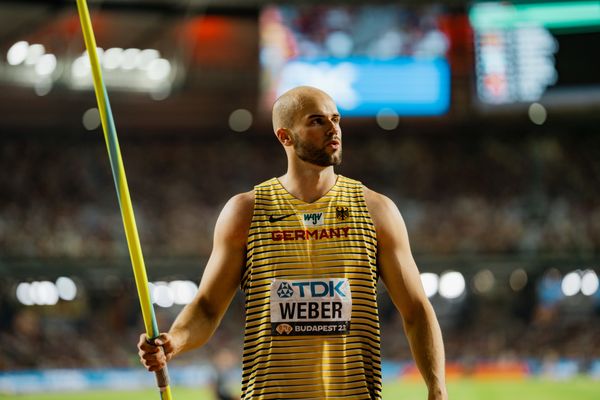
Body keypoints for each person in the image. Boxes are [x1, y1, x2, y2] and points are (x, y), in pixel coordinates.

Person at [138, 86, 447, 400]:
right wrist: (173, 340)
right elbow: (206, 308)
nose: (333, 129)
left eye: (335, 119)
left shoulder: (375, 210)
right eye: (316, 121)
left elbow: (417, 310)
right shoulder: (246, 212)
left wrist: (437, 388)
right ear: (285, 136)